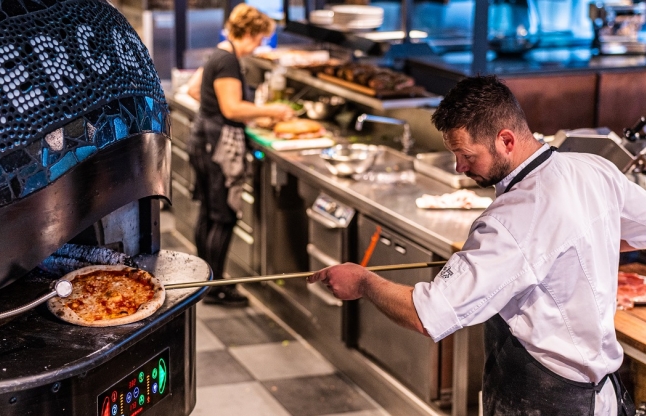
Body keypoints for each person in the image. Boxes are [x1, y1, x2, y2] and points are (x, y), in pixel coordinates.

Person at [308, 75, 646, 415]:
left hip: (549, 402)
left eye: (466, 154)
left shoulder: (509, 221)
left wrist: (364, 281)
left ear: (506, 140)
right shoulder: (593, 170)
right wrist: (564, 248)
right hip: (599, 397)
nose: (459, 166)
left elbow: (426, 315)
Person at [187, 4, 294, 306]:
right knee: (224, 216)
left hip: (205, 140)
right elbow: (231, 108)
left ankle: (204, 279)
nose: (260, 45)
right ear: (248, 33)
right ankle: (217, 287)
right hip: (219, 147)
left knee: (209, 212)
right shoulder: (228, 61)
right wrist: (271, 110)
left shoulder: (219, 54)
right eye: (260, 39)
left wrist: (242, 114)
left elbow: (197, 89)